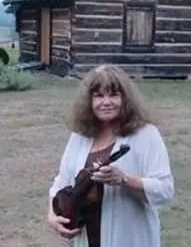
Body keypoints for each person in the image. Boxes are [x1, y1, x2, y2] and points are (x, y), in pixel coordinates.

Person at [47, 64, 174, 247]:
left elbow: (165, 189)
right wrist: (52, 216)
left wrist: (124, 179)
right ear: (89, 101)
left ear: (126, 98)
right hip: (86, 239)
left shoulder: (146, 135)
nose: (106, 102)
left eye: (113, 94)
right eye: (98, 95)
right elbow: (61, 183)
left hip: (129, 239)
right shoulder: (79, 137)